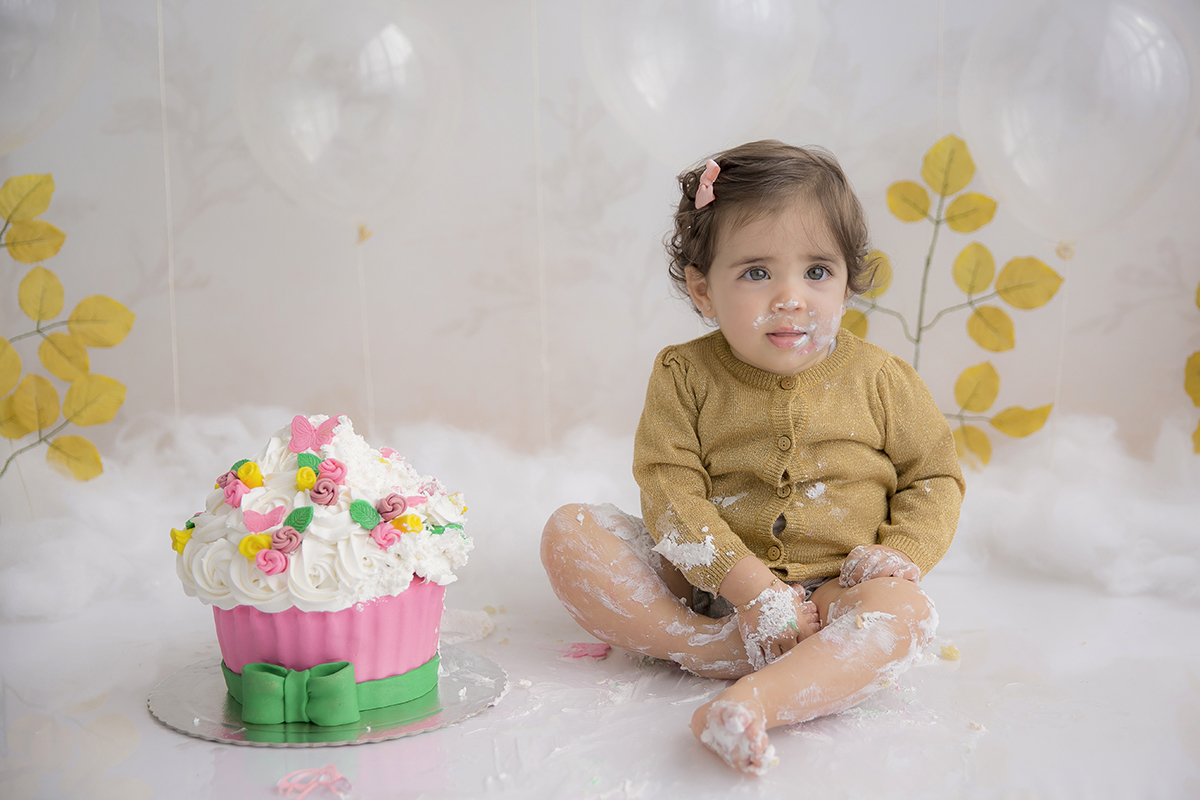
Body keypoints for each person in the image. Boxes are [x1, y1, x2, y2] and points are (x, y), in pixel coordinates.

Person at [540, 140, 964, 775]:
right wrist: (751, 590)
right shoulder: (684, 374)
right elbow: (669, 491)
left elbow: (933, 477)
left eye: (817, 271)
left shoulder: (883, 380)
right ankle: (712, 648)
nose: (791, 297)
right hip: (707, 586)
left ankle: (753, 701)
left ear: (848, 283)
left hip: (836, 596)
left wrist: (902, 552)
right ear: (704, 291)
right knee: (571, 531)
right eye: (758, 273)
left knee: (905, 613)